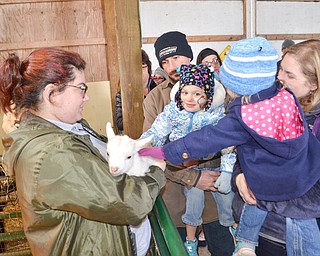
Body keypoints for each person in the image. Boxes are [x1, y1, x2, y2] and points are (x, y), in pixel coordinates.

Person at [140, 37, 320, 256]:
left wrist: (165, 151)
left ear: (314, 83)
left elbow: (211, 137)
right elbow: (239, 149)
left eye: (289, 74)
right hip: (259, 227)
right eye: (280, 69)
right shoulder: (269, 102)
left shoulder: (250, 106)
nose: (280, 78)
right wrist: (239, 178)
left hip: (294, 230)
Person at [0, 48, 166, 256]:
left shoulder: (71, 127)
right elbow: (129, 202)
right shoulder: (54, 152)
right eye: (81, 88)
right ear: (51, 93)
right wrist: (156, 172)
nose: (86, 97)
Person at [143, 31, 235, 256]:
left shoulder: (218, 91)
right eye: (164, 61)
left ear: (189, 57)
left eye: (176, 57)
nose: (171, 66)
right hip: (176, 199)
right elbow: (151, 150)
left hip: (217, 195)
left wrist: (207, 161)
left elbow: (232, 136)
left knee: (225, 248)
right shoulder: (155, 99)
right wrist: (193, 177)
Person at [115, 49, 157, 132]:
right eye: (135, 68)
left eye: (142, 67)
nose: (139, 72)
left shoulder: (157, 90)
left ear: (148, 68)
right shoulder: (122, 93)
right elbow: (119, 124)